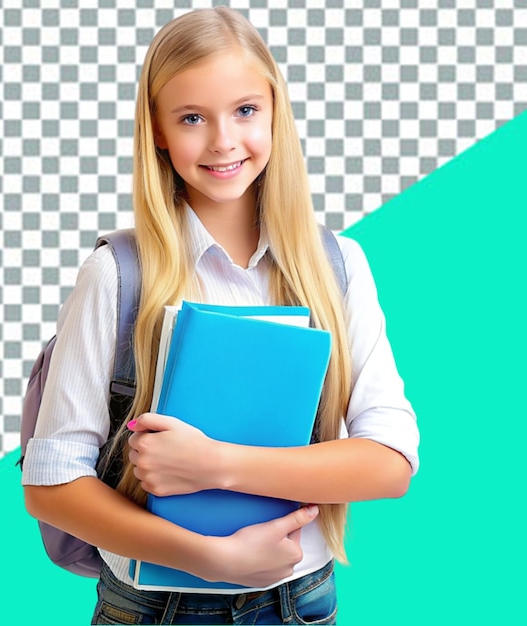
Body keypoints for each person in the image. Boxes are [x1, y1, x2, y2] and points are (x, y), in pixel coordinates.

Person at [22, 7, 419, 624]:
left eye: (244, 111)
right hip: (152, 608)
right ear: (156, 129)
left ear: (275, 111)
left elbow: (391, 460)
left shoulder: (338, 266)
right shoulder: (118, 274)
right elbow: (51, 482)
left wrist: (216, 464)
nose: (223, 141)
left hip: (301, 604)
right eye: (191, 118)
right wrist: (207, 557)